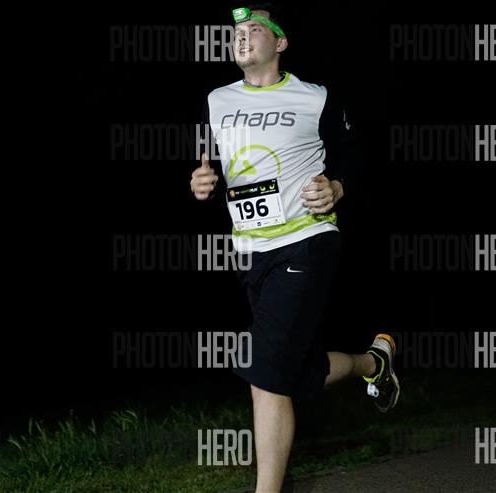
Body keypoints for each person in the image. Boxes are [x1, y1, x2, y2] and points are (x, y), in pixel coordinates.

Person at [189, 5, 400, 492]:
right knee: (299, 374)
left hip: (306, 241)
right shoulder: (217, 100)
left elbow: (354, 158)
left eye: (254, 29)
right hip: (251, 253)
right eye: (236, 31)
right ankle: (375, 363)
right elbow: (209, 167)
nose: (242, 37)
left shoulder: (314, 98)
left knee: (264, 374)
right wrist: (201, 183)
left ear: (280, 42)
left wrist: (337, 187)